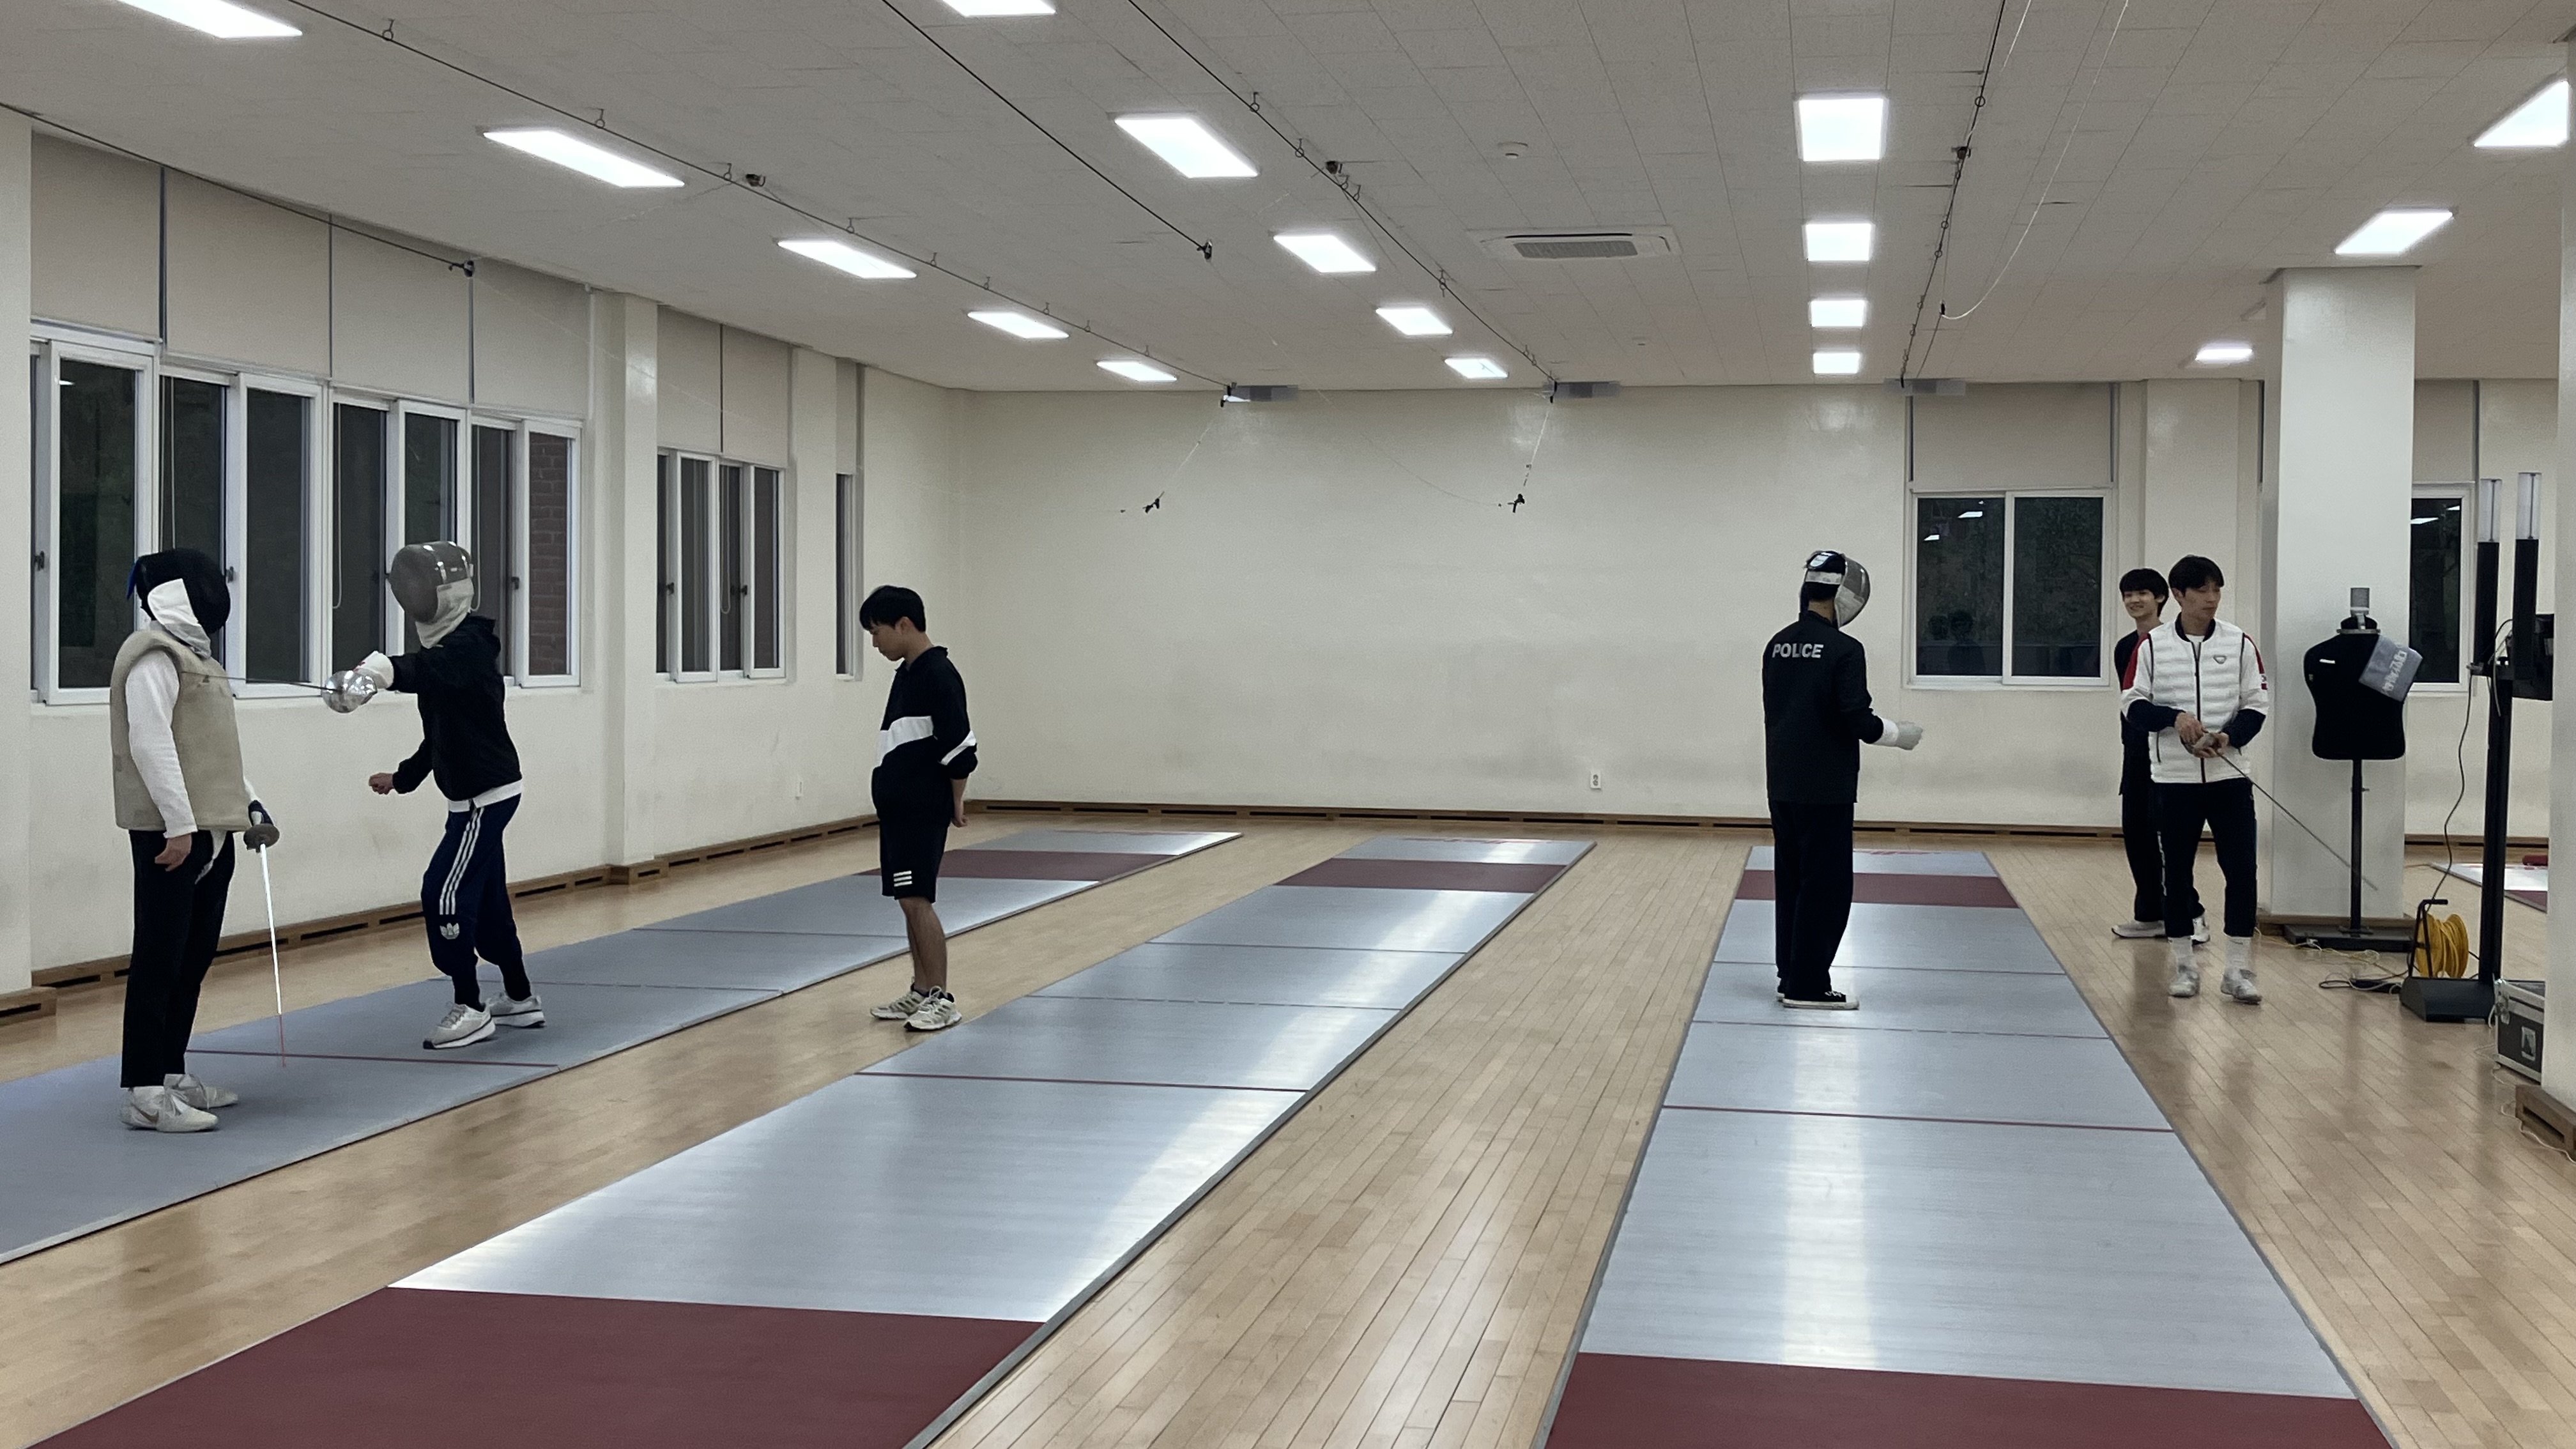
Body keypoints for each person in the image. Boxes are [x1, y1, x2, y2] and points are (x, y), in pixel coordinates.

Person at [322, 542, 541, 1049]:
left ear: (449, 593)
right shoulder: (449, 653)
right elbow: (441, 733)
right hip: (477, 795)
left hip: (485, 797)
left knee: (443, 892)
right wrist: (402, 778)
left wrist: (383, 672)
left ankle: (471, 1006)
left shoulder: (469, 648)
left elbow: (430, 670)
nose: (413, 594)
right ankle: (520, 997)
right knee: (487, 902)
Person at [109, 549, 279, 1131]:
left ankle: (170, 1071)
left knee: (192, 958)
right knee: (158, 959)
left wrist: (249, 806)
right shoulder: (152, 656)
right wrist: (179, 825)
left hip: (212, 832)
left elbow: (213, 750)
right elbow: (150, 742)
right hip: (173, 836)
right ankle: (143, 1091)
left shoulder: (198, 659)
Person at [1761, 550, 1922, 1009]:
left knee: (1792, 880)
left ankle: (1791, 973)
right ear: (1845, 596)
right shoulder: (1844, 650)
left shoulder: (1777, 644)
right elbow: (1856, 718)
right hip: (1826, 787)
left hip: (1783, 783)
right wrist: (1898, 734)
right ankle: (1808, 986)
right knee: (1826, 886)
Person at [2120, 555, 2271, 1003]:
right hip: (2174, 781)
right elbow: (2133, 704)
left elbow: (2256, 703)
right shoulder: (2151, 646)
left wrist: (2229, 736)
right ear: (2179, 595)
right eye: (2203, 590)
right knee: (2177, 872)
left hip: (2230, 780)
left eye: (2217, 589)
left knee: (2241, 871)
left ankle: (2238, 969)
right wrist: (2175, 718)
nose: (2212, 598)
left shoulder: (2240, 643)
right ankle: (2184, 965)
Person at [859, 585, 977, 1032]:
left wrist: (955, 799)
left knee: (918, 899)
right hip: (898, 808)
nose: (875, 643)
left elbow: (961, 748)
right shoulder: (906, 675)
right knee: (907, 901)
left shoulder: (939, 674)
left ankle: (942, 998)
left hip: (921, 808)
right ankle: (922, 988)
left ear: (904, 624)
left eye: (877, 632)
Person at [2110, 568, 2206, 944]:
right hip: (2135, 752)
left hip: (2167, 754)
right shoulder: (2124, 647)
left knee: (2168, 839)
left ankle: (2191, 914)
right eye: (2128, 595)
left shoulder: (2172, 644)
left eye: (2142, 594)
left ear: (2161, 598)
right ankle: (2151, 914)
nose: (2134, 601)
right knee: (2137, 834)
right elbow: (2131, 702)